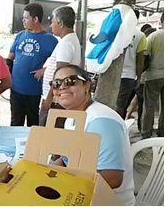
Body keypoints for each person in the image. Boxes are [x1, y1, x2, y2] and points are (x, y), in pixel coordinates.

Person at [51, 66, 135, 205]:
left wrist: (60, 183)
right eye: (56, 83)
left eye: (70, 81)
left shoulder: (101, 121)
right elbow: (66, 160)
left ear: (87, 85)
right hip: (80, 194)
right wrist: (42, 171)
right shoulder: (72, 118)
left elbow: (113, 178)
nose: (62, 87)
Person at [7, 3, 57, 126]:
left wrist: (44, 70)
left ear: (35, 19)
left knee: (33, 123)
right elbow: (10, 57)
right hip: (16, 88)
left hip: (34, 90)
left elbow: (58, 64)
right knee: (15, 122)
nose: (23, 20)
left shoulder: (51, 40)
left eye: (26, 18)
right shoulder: (20, 35)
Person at [40, 6, 81, 126]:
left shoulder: (66, 43)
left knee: (48, 133)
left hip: (56, 100)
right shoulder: (69, 40)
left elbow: (60, 75)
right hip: (58, 98)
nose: (51, 26)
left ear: (61, 23)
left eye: (52, 22)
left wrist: (49, 98)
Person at [116, 9, 146, 118]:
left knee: (113, 103)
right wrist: (138, 77)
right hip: (128, 75)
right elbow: (140, 59)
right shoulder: (140, 35)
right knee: (121, 104)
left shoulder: (116, 31)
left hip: (113, 73)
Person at [142, 17, 163, 138]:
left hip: (153, 76)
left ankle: (146, 134)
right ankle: (162, 132)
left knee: (149, 106)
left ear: (161, 20)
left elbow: (144, 55)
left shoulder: (154, 36)